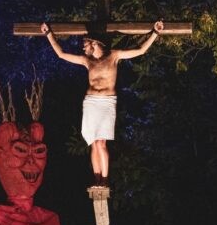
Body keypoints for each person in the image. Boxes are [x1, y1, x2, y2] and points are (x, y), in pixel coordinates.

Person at [40, 20, 164, 187]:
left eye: (85, 45)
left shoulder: (114, 56)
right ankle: (97, 180)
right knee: (93, 143)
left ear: (95, 43)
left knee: (101, 143)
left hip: (107, 102)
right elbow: (61, 54)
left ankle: (104, 180)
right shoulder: (87, 61)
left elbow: (141, 50)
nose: (83, 48)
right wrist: (48, 34)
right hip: (91, 102)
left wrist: (155, 32)